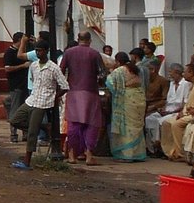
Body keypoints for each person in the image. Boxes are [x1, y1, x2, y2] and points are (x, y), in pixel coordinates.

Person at [9, 40, 66, 169]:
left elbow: (64, 86)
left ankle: (27, 161)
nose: (38, 53)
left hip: (43, 102)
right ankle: (44, 127)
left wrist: (54, 97)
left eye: (40, 50)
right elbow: (34, 81)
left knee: (32, 134)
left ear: (46, 51)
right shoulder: (33, 66)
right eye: (36, 50)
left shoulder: (53, 68)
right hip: (32, 99)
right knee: (15, 120)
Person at [59, 31, 105, 165]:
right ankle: (89, 155)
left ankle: (72, 155)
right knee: (92, 124)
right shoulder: (95, 53)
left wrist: (63, 87)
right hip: (91, 92)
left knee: (73, 124)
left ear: (78, 39)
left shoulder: (68, 53)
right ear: (90, 40)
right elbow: (103, 74)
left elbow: (61, 71)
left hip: (73, 92)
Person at [159, 63, 194, 160]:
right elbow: (188, 103)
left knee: (176, 124)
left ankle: (180, 153)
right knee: (166, 123)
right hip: (186, 112)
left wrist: (185, 113)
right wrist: (182, 112)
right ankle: (170, 151)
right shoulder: (193, 84)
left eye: (184, 72)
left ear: (191, 72)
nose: (183, 74)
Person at [105, 52, 147, 162]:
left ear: (118, 61)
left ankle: (128, 154)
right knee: (137, 126)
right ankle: (138, 153)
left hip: (127, 99)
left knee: (127, 127)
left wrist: (110, 71)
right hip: (139, 98)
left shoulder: (120, 70)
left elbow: (110, 82)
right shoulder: (136, 69)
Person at [145, 64, 187, 156]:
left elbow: (184, 104)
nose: (169, 74)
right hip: (167, 110)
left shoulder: (185, 84)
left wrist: (170, 112)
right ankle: (152, 148)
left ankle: (160, 146)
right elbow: (167, 100)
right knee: (148, 120)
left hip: (176, 112)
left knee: (161, 121)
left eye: (170, 72)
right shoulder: (171, 84)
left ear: (177, 72)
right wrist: (162, 109)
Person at [2, 32, 29, 145]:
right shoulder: (9, 53)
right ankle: (13, 133)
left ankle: (25, 133)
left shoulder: (23, 52)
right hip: (16, 84)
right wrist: (23, 66)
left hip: (25, 84)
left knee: (23, 109)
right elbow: (7, 69)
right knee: (15, 109)